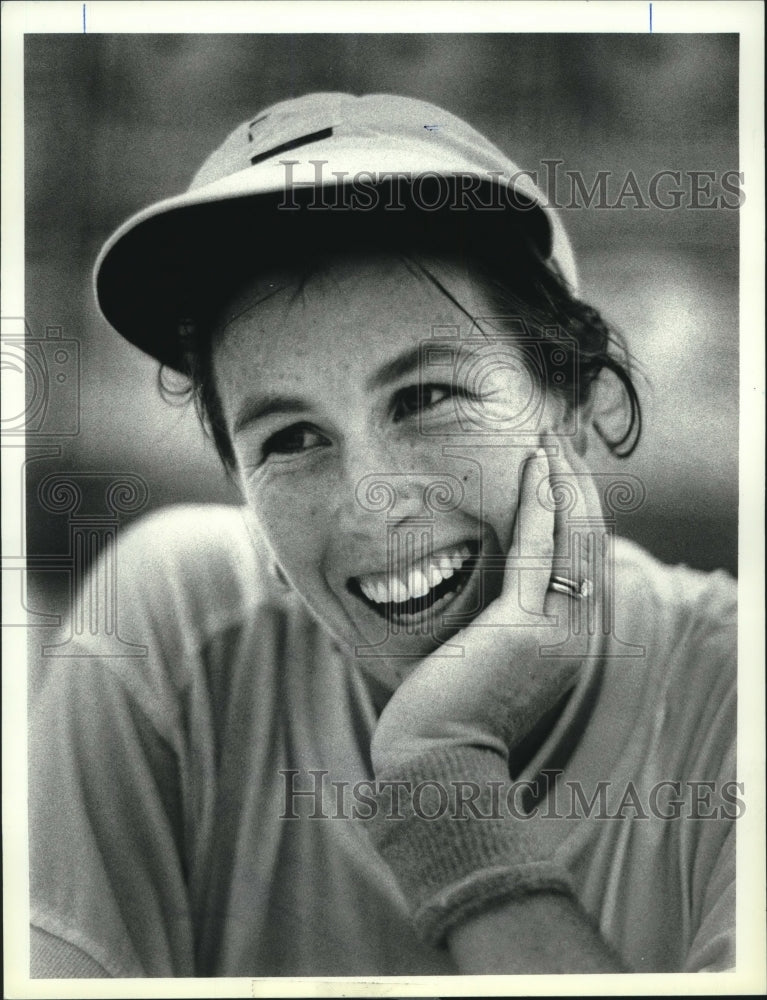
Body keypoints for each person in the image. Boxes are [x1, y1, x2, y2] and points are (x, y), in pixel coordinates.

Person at [29, 93, 737, 977]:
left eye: (427, 396)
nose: (371, 503)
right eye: (290, 440)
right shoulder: (170, 627)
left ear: (574, 399)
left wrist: (439, 783)